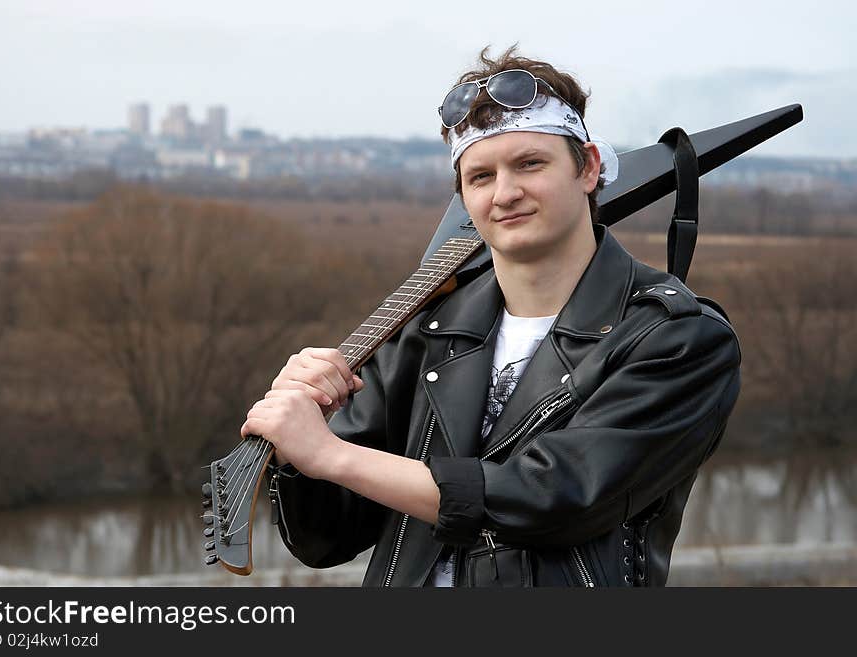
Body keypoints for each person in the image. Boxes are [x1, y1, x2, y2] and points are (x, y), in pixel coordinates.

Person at [240, 46, 742, 587]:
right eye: (480, 176)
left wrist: (332, 455)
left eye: (530, 163)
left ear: (589, 168)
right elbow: (327, 538)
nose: (505, 193)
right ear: (463, 198)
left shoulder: (676, 337)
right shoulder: (427, 329)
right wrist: (300, 446)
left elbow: (553, 499)